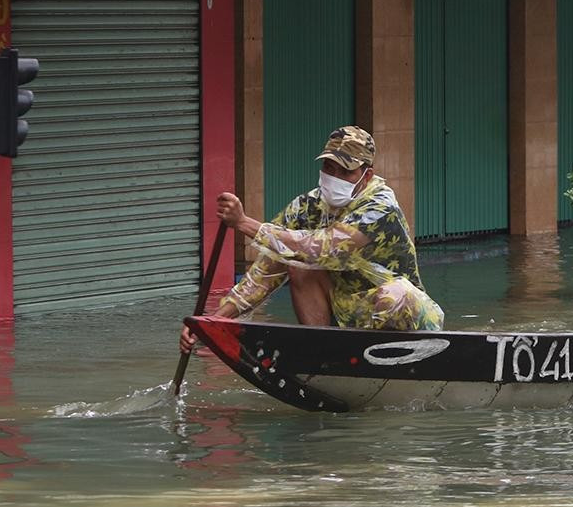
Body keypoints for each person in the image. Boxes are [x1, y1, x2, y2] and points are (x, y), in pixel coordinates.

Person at [179, 126, 443, 351]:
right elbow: (263, 275)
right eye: (330, 167)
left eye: (345, 171)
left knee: (394, 294)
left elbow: (323, 248)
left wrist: (244, 223)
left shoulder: (380, 208)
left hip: (406, 315)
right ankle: (323, 349)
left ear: (367, 175)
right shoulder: (307, 207)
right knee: (297, 265)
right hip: (347, 317)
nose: (335, 177)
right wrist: (210, 324)